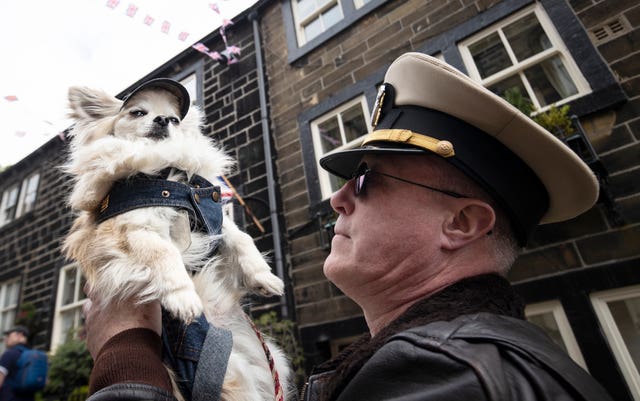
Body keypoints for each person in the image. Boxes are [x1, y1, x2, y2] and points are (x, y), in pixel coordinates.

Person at [82, 52, 614, 401]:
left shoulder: (445, 375)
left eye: (365, 183)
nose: (336, 199)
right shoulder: (450, 358)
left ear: (463, 222)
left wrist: (126, 348)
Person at [0, 326, 34, 401]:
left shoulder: (9, 354)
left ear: (20, 335)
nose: (6, 339)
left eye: (9, 335)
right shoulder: (34, 355)